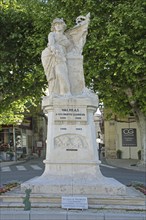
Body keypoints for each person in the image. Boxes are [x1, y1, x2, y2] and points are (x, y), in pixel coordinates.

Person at [41, 18, 71, 96]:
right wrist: (55, 49)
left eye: (59, 24)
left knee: (61, 73)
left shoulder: (65, 37)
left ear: (63, 26)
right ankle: (55, 92)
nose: (57, 26)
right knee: (54, 75)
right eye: (56, 25)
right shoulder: (52, 34)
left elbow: (69, 45)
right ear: (54, 27)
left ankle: (65, 92)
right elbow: (51, 44)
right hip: (51, 55)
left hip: (61, 56)